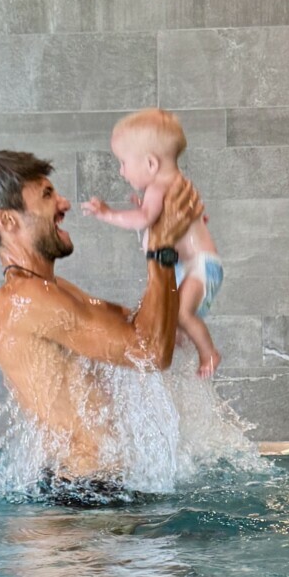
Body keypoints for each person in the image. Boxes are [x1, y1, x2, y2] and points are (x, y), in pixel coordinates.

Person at [0, 149, 205, 503]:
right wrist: (160, 249)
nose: (64, 203)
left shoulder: (49, 292)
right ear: (7, 221)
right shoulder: (27, 299)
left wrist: (164, 241)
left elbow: (144, 330)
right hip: (83, 499)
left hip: (85, 490)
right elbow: (150, 351)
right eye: (47, 195)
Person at [82, 109, 223, 377]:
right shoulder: (177, 183)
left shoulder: (158, 187)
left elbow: (143, 220)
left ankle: (209, 353)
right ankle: (180, 339)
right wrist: (146, 209)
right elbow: (158, 218)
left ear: (150, 164)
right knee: (167, 315)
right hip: (191, 265)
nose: (121, 171)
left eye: (123, 162)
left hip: (200, 266)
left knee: (181, 314)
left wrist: (107, 214)